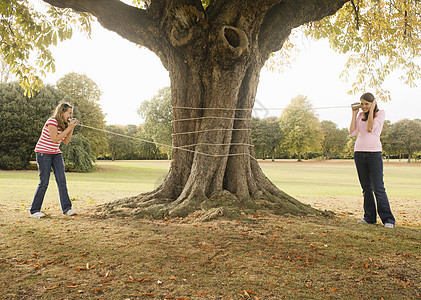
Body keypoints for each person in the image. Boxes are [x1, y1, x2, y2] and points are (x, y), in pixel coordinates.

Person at [349, 92, 395, 228]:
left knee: (378, 188)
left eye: (366, 104)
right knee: (366, 188)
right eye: (361, 103)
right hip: (359, 153)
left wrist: (372, 109)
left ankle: (388, 220)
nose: (363, 106)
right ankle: (369, 218)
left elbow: (370, 128)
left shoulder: (380, 113)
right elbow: (352, 132)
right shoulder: (359, 115)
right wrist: (353, 114)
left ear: (373, 103)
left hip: (374, 153)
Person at [30, 102, 78, 218]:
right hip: (43, 153)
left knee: (62, 181)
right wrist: (70, 128)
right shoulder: (52, 121)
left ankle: (67, 209)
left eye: (72, 113)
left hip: (56, 154)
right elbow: (55, 139)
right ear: (62, 112)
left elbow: (65, 141)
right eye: (69, 113)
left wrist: (71, 128)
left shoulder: (65, 124)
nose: (71, 115)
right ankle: (34, 210)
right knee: (44, 182)